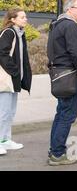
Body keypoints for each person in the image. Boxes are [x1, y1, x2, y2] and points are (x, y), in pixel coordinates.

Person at [47, 0, 77, 166]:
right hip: (70, 76)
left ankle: (55, 150)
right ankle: (57, 154)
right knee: (66, 116)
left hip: (59, 75)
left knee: (61, 114)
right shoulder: (70, 26)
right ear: (69, 9)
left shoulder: (57, 25)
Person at [0, 8, 32, 156]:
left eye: (25, 17)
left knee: (10, 112)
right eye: (22, 17)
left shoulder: (19, 33)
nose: (25, 19)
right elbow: (2, 53)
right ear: (12, 19)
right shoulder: (9, 33)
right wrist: (14, 71)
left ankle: (5, 140)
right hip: (7, 79)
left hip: (13, 80)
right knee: (3, 112)